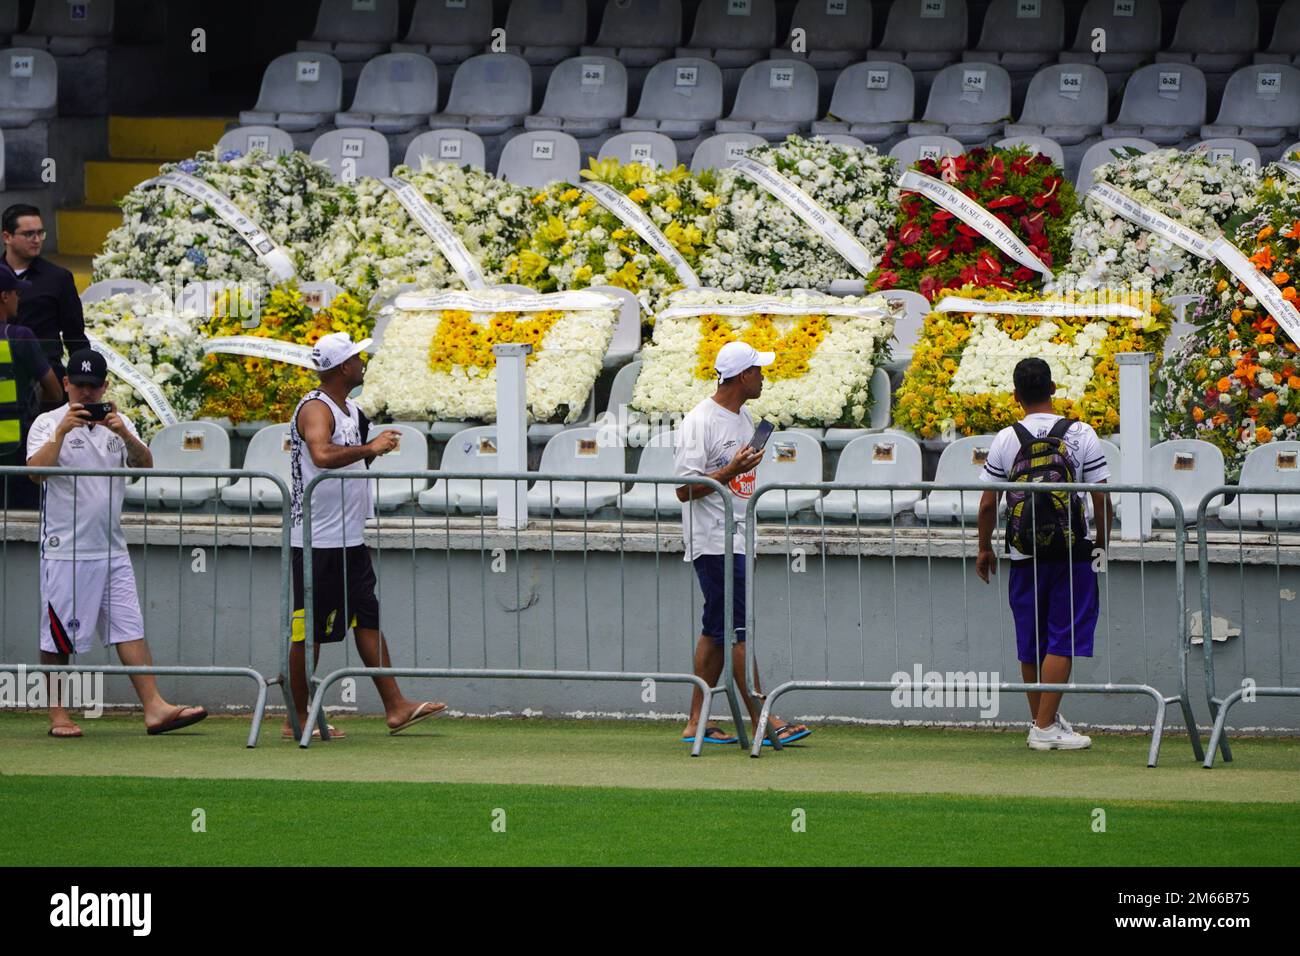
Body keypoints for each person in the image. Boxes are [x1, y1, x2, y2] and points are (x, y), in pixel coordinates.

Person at [26, 347, 208, 738]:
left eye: (94, 386)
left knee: (129, 627)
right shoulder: (46, 423)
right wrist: (62, 433)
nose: (87, 395)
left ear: (106, 386)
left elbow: (145, 466)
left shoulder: (119, 423)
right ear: (66, 383)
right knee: (57, 636)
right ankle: (58, 714)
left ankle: (155, 708)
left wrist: (123, 433)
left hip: (112, 547)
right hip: (66, 551)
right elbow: (35, 475)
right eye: (79, 386)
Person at [286, 331, 446, 740]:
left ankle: (396, 707)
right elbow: (321, 455)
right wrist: (370, 449)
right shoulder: (315, 408)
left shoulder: (350, 410)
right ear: (343, 367)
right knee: (310, 632)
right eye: (357, 357)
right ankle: (296, 717)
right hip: (318, 542)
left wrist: (375, 449)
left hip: (349, 538)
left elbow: (353, 457)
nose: (363, 362)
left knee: (367, 619)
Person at [673, 340, 812, 747]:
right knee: (735, 630)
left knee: (717, 629)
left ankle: (695, 722)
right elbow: (684, 489)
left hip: (735, 538)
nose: (765, 376)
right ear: (743, 376)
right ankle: (764, 719)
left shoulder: (743, 415)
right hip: (714, 541)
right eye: (759, 370)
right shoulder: (700, 421)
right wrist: (730, 470)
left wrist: (735, 471)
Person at [975, 357, 1112, 751]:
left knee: (1031, 640)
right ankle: (1045, 727)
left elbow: (988, 504)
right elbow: (1101, 497)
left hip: (1023, 553)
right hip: (1072, 551)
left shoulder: (1005, 438)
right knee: (1064, 637)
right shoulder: (1082, 433)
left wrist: (984, 549)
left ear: (1016, 396)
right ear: (1053, 389)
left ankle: (1042, 722)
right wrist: (1102, 542)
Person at [2, 204, 88, 397]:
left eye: (40, 233)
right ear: (7, 237)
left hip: (45, 378)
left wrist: (83, 382)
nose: (36, 240)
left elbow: (75, 336)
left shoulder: (58, 278)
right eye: (29, 234)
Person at [1, 263, 62, 510]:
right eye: (16, 292)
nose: (19, 298)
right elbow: (55, 391)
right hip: (17, 448)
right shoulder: (21, 336)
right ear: (4, 297)